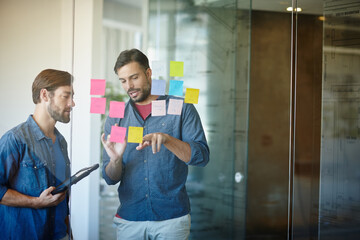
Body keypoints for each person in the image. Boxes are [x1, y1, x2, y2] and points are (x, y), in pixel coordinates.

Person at [101, 48, 210, 240]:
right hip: (130, 219)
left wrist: (168, 140)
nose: (129, 86)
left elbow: (201, 157)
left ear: (148, 73)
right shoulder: (117, 116)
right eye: (123, 81)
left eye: (134, 77)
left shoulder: (181, 108)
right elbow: (110, 178)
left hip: (172, 219)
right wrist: (115, 161)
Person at [0, 69, 75, 240]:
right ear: (45, 95)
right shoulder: (15, 139)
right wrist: (35, 202)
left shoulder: (61, 141)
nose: (72, 103)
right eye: (66, 96)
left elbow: (61, 197)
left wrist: (68, 234)